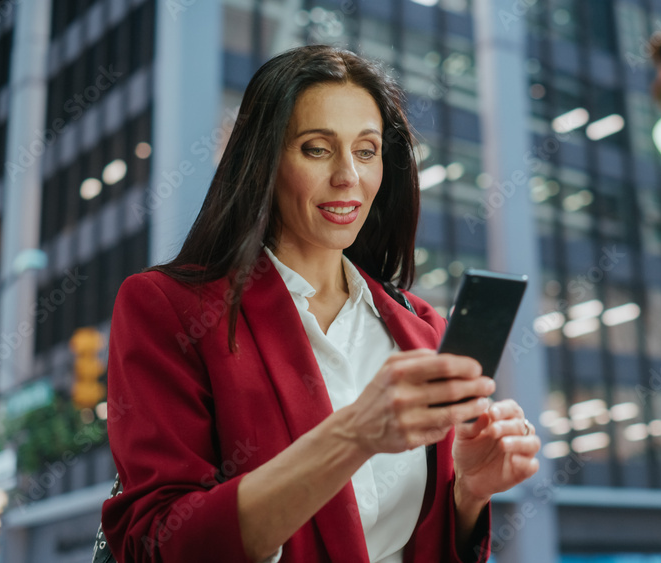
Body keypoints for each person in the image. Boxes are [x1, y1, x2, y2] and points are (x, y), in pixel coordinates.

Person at [101, 45, 541, 562]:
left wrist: (469, 492)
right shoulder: (169, 307)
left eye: (366, 150)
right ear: (264, 160)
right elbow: (156, 543)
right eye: (316, 148)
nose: (348, 177)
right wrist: (352, 436)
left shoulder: (422, 329)